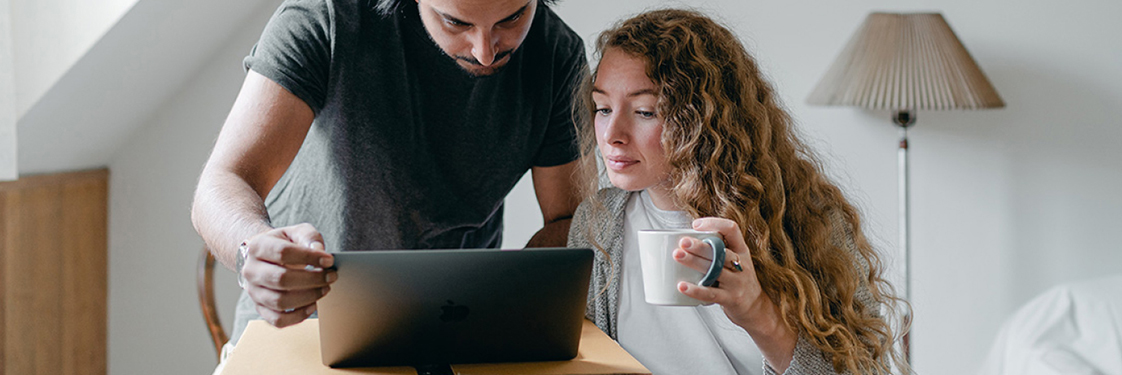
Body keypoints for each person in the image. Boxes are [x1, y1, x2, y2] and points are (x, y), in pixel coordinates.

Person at [190, 0, 586, 354]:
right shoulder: (326, 18)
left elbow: (571, 220)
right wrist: (251, 250)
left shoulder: (558, 54)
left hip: (454, 340)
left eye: (513, 17)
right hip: (300, 336)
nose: (485, 52)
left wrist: (519, 296)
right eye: (455, 22)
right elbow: (223, 181)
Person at [566, 9, 910, 375]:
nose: (611, 133)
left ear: (700, 119)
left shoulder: (802, 220)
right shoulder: (597, 221)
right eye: (602, 107)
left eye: (645, 111)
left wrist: (757, 312)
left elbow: (862, 370)